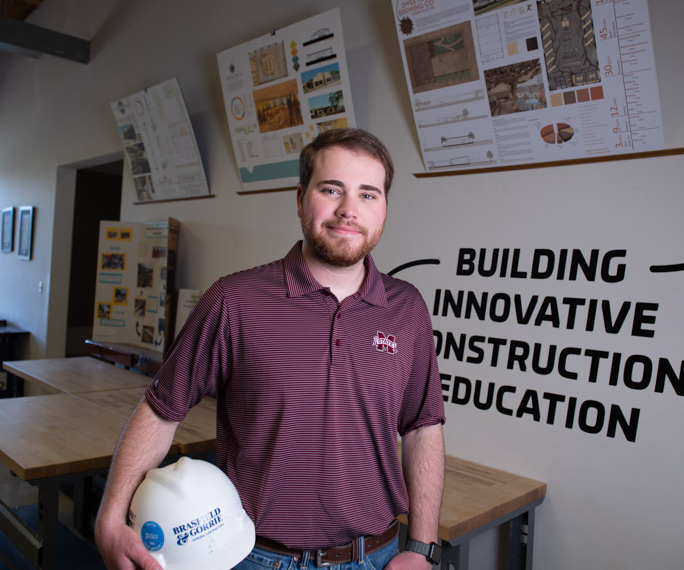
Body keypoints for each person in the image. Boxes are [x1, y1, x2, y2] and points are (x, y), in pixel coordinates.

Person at [95, 128, 446, 570]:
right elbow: (162, 409)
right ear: (300, 198)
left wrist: (422, 547)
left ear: (384, 210)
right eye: (331, 189)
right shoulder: (234, 300)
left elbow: (422, 428)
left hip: (377, 556)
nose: (348, 210)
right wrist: (110, 518)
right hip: (257, 557)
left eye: (368, 195)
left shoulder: (407, 308)